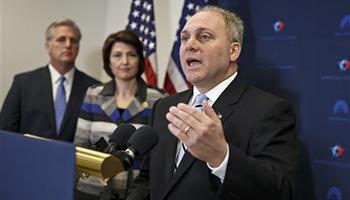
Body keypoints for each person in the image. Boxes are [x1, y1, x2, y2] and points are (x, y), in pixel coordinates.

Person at [127, 6, 298, 200]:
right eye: (185, 38)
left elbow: (280, 192)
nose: (189, 45)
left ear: (233, 51)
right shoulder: (164, 107)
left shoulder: (269, 110)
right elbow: (147, 179)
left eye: (204, 37)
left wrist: (221, 157)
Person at [74, 30, 164, 200]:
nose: (124, 62)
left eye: (131, 55)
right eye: (117, 55)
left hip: (136, 193)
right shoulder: (94, 95)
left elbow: (158, 157)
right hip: (92, 191)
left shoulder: (157, 99)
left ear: (140, 60)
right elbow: (80, 147)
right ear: (108, 60)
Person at [0, 18, 99, 141]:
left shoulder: (94, 88)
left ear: (78, 47)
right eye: (61, 39)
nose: (68, 44)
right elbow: (5, 130)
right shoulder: (23, 83)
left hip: (72, 159)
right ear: (48, 46)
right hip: (28, 158)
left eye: (73, 40)